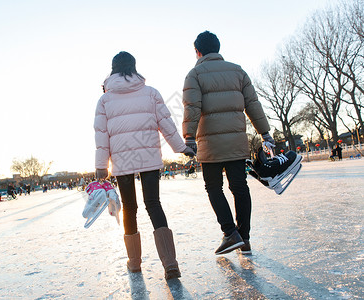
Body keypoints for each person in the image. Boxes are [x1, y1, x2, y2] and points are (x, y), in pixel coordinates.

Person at [94, 51, 195, 279]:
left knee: (130, 208)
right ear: (134, 67)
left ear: (113, 70)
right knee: (154, 204)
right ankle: (170, 263)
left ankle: (135, 262)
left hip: (122, 160)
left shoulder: (105, 100)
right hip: (148, 157)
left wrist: (102, 165)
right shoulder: (151, 93)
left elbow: (101, 135)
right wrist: (181, 147)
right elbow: (166, 124)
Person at [182, 31, 274, 255]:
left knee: (213, 187)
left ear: (198, 51)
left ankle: (230, 232)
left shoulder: (194, 74)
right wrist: (265, 133)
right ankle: (245, 238)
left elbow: (192, 109)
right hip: (235, 140)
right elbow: (252, 103)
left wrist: (189, 137)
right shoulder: (237, 71)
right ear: (218, 48)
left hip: (209, 144)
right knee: (239, 187)